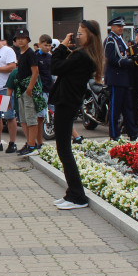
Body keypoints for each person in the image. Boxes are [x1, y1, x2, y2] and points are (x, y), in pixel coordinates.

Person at [49, 20, 105, 210]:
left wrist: (62, 46)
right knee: (63, 149)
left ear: (90, 34)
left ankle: (77, 195)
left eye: (80, 33)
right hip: (68, 101)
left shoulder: (82, 55)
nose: (77, 36)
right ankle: (71, 193)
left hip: (67, 102)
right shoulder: (87, 54)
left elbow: (55, 67)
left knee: (64, 150)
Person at [104, 16, 138, 141]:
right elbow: (111, 59)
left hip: (124, 78)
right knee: (115, 108)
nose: (121, 28)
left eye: (122, 26)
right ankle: (114, 134)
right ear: (112, 27)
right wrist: (127, 62)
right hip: (116, 78)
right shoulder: (110, 40)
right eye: (119, 26)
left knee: (127, 107)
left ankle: (133, 132)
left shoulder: (120, 39)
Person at [12, 29, 44, 156]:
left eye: (23, 38)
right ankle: (29, 142)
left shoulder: (30, 53)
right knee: (24, 119)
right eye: (18, 38)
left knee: (31, 119)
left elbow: (35, 72)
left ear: (28, 40)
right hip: (21, 88)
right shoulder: (21, 53)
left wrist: (30, 88)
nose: (20, 40)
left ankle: (32, 146)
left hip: (28, 89)